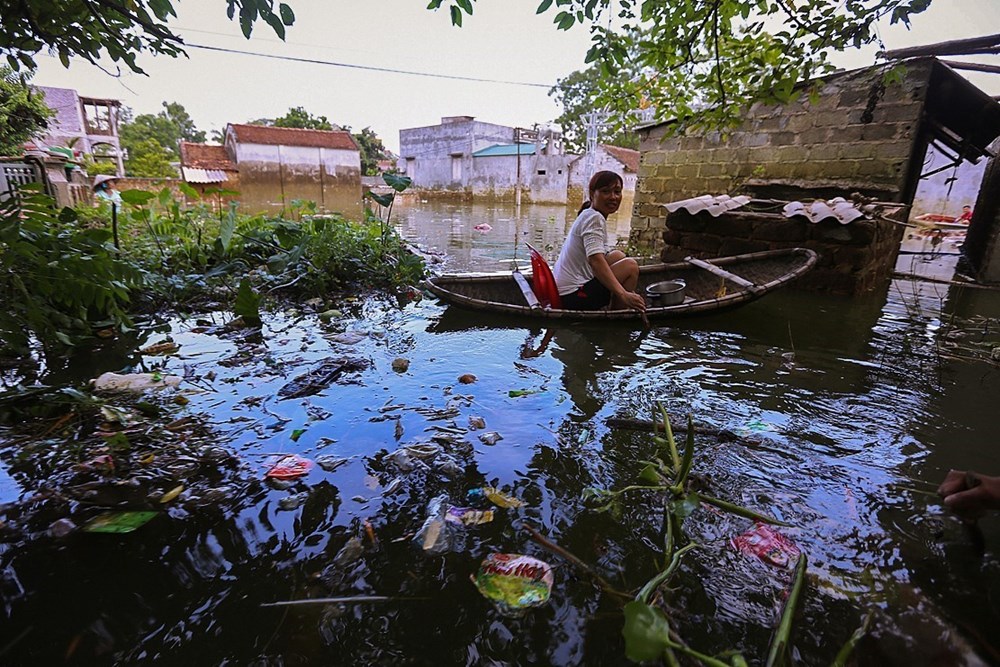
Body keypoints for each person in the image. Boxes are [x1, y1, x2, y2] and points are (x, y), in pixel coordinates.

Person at [553, 171, 646, 312]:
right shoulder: (594, 218)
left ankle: (617, 303)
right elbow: (595, 261)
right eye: (605, 192)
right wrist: (624, 294)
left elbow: (598, 258)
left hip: (563, 292)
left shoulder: (588, 213)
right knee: (631, 266)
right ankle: (618, 313)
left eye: (617, 192)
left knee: (618, 255)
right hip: (572, 297)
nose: (613, 197)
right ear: (592, 194)